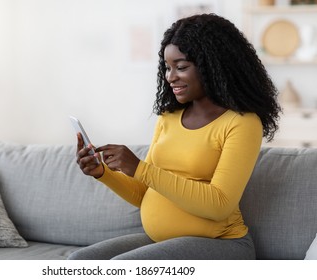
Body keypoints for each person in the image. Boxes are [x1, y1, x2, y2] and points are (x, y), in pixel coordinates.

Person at [68, 13, 281, 260]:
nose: (170, 77)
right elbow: (143, 194)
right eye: (167, 68)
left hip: (222, 245)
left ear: (213, 65)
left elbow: (219, 204)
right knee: (79, 262)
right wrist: (103, 173)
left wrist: (140, 168)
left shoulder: (241, 123)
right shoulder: (169, 117)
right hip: (163, 241)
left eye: (181, 67)